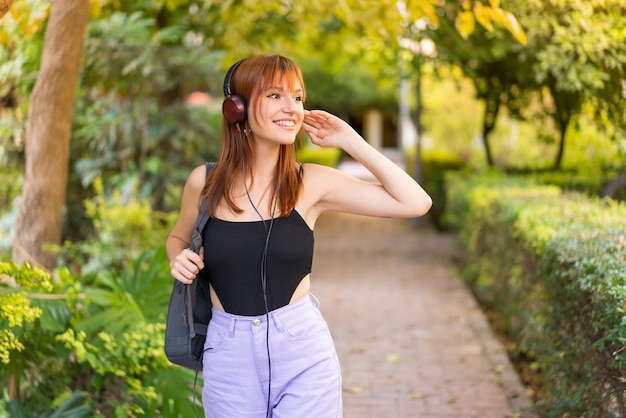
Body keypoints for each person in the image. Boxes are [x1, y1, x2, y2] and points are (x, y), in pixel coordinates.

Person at [166, 54, 432, 418]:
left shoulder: (310, 183)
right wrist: (177, 259)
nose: (292, 108)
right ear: (236, 108)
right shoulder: (205, 183)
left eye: (297, 97)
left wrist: (350, 140)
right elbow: (177, 239)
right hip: (229, 354)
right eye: (275, 96)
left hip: (301, 349)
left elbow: (416, 202)